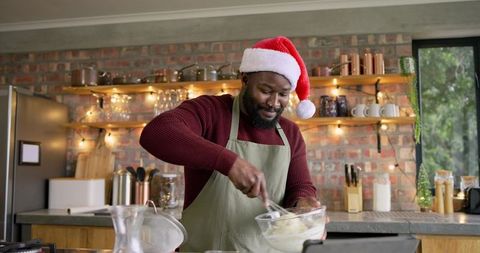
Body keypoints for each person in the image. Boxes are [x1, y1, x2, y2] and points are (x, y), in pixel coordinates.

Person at [140, 36, 321, 252]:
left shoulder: (290, 132)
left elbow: (298, 187)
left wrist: (305, 204)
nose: (274, 103)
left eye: (283, 94)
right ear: (244, 80)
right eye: (265, 91)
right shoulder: (212, 111)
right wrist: (230, 162)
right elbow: (156, 132)